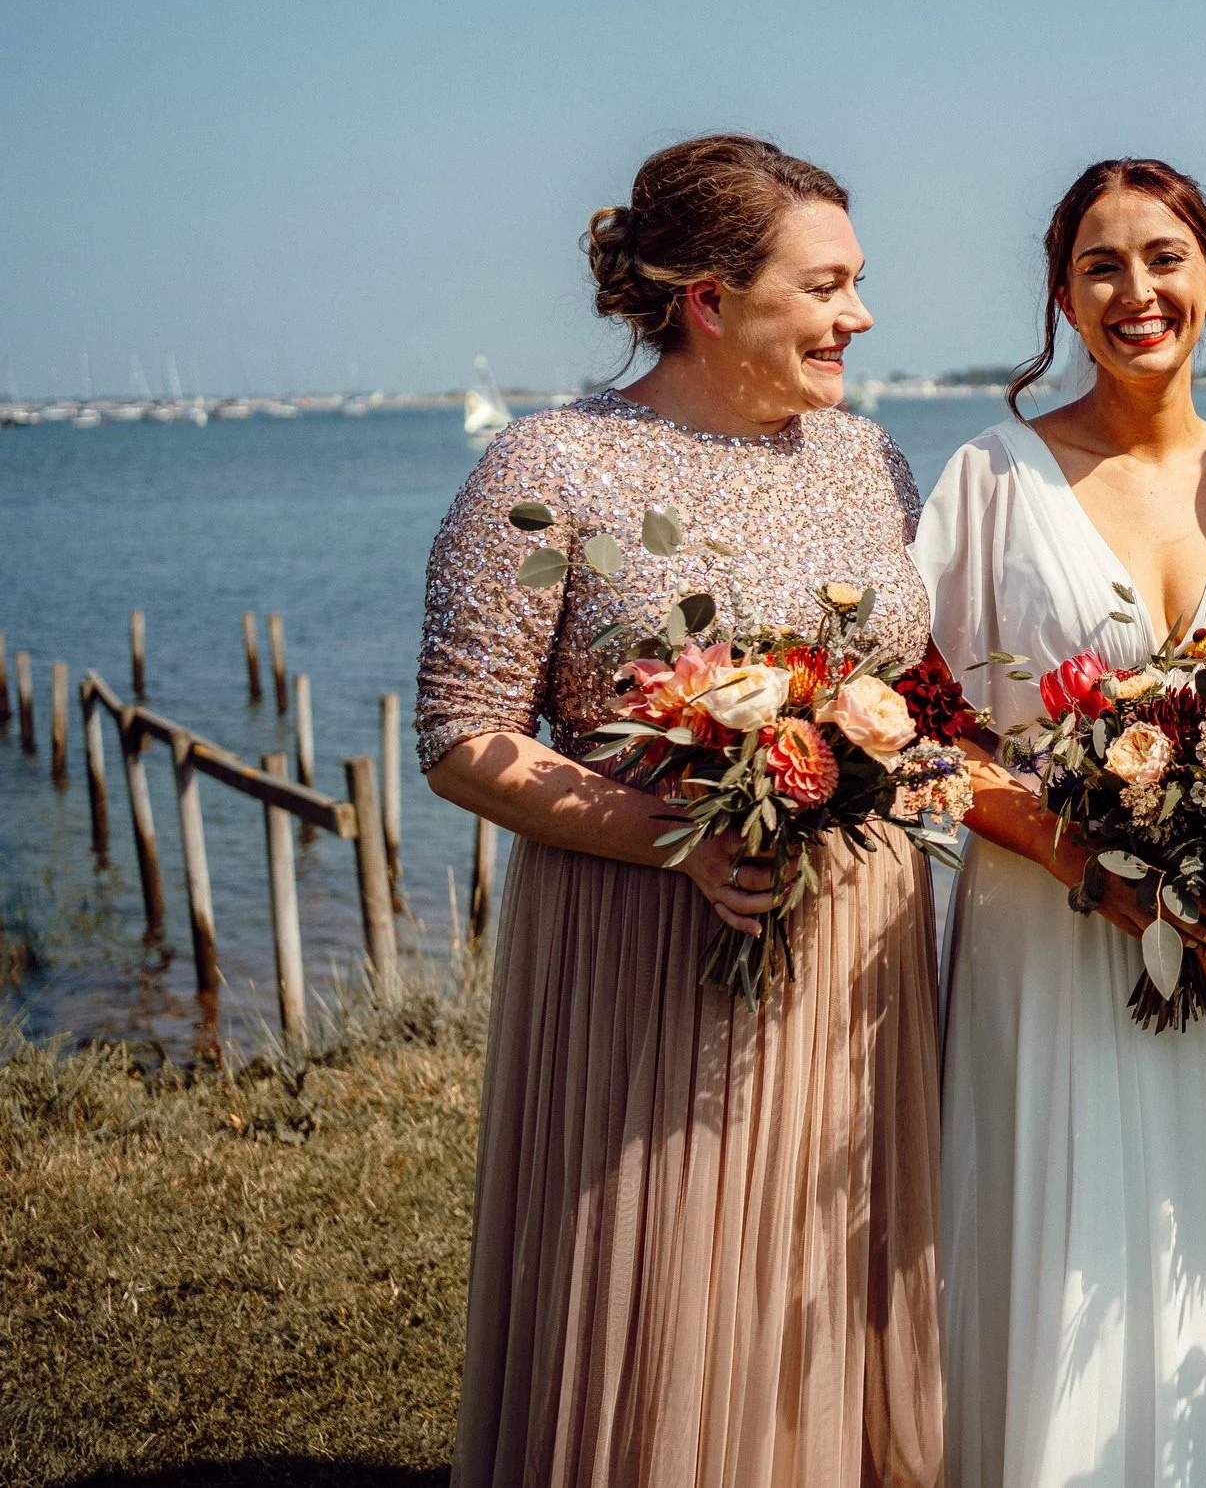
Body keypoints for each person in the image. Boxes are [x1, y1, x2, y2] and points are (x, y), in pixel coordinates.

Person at [420, 134, 944, 1488]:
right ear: (713, 299)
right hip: (647, 944)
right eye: (826, 285)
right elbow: (464, 736)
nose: (860, 315)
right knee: (668, 1274)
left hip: (858, 943)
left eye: (859, 281)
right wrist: (681, 833)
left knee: (828, 1271)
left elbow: (914, 689)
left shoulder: (867, 459)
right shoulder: (552, 468)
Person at [913, 159, 1206, 1487]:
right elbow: (917, 719)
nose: (1135, 290)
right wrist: (1073, 850)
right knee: (1060, 1252)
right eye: (1100, 263)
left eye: (1163, 257)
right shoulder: (990, 477)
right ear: (1061, 294)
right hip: (1044, 929)